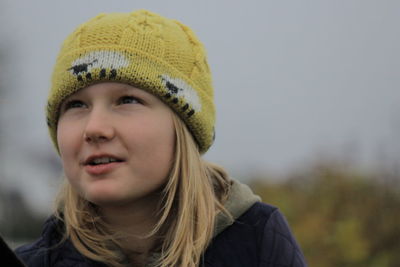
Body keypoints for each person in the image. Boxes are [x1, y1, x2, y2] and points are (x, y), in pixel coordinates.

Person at [15, 10, 307, 267]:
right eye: (76, 105)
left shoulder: (257, 239)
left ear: (184, 128)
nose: (94, 128)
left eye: (127, 100)